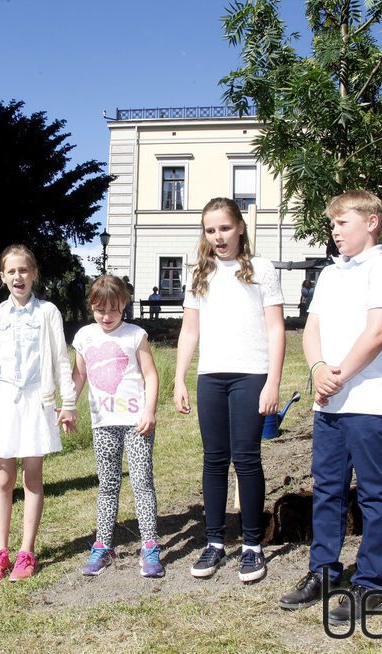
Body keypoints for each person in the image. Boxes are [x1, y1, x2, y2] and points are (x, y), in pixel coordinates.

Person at [277, 190, 382, 625]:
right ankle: (325, 571)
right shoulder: (330, 274)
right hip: (328, 403)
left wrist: (339, 374)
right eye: (332, 224)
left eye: (342, 222)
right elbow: (311, 328)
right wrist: (317, 368)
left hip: (368, 401)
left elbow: (377, 332)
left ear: (371, 223)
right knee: (328, 488)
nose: (334, 230)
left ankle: (370, 583)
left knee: (374, 492)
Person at [173, 197, 285, 583]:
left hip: (251, 376)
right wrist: (180, 379)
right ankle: (215, 542)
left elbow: (276, 329)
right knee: (214, 460)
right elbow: (190, 330)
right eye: (210, 230)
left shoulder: (261, 270)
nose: (218, 236)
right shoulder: (199, 274)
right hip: (211, 378)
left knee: (247, 459)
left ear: (239, 226)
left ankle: (253, 546)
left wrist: (272, 381)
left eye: (224, 227)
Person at [0, 244, 77, 584]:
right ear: (2, 277)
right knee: (4, 477)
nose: (18, 277)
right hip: (2, 402)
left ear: (34, 274)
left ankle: (26, 551)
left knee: (33, 475)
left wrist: (69, 402)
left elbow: (62, 361)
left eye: (24, 270)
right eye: (11, 271)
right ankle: (0, 551)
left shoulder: (47, 312)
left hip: (37, 402)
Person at [72, 275, 163, 578]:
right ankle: (103, 545)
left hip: (137, 423)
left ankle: (149, 545)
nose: (106, 317)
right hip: (103, 425)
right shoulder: (85, 337)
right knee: (108, 485)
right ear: (92, 308)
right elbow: (79, 376)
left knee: (142, 483)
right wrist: (68, 405)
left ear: (123, 304)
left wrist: (149, 411)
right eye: (99, 310)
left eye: (112, 310)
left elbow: (150, 375)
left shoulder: (135, 335)